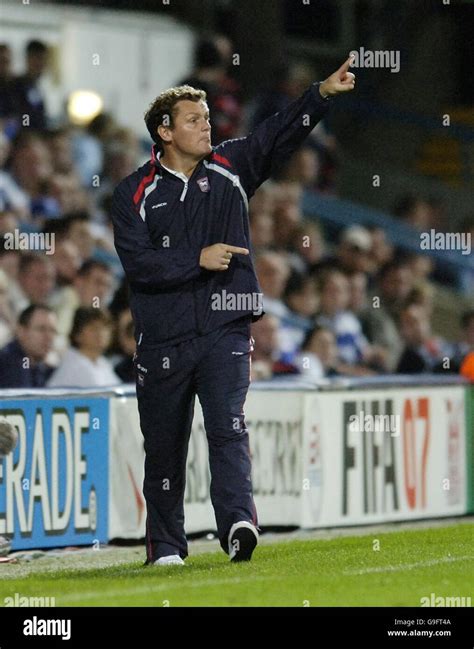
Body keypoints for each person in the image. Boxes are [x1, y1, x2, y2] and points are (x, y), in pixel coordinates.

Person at [112, 56, 355, 566]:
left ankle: (238, 523)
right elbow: (139, 266)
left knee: (228, 424)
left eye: (207, 117)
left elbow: (278, 134)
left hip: (226, 324)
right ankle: (166, 549)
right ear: (165, 131)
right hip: (162, 337)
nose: (207, 126)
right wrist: (195, 260)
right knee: (163, 447)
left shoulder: (231, 167)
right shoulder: (132, 192)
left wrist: (321, 95)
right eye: (194, 119)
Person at [47, 308, 119, 388]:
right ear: (77, 334)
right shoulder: (73, 365)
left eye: (105, 327)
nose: (101, 333)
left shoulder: (103, 362)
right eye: (93, 328)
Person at [0, 304, 57, 388]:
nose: (49, 337)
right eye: (41, 329)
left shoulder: (36, 362)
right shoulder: (16, 362)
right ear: (22, 331)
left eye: (53, 330)